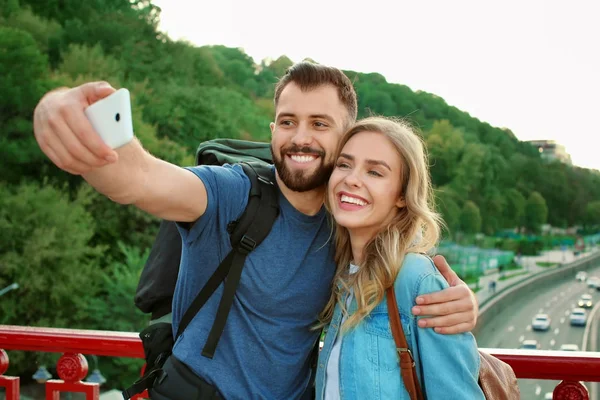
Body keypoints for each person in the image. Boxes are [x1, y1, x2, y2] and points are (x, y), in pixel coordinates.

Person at [33, 62, 478, 399]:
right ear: (273, 130)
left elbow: (401, 299)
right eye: (288, 121)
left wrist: (457, 311)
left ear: (345, 140)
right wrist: (64, 113)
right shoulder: (234, 193)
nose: (300, 137)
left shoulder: (346, 226)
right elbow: (138, 178)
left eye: (320, 124)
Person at [315, 117, 484, 399]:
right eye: (344, 164)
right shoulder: (339, 273)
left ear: (402, 196)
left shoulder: (416, 280)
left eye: (375, 172)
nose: (351, 179)